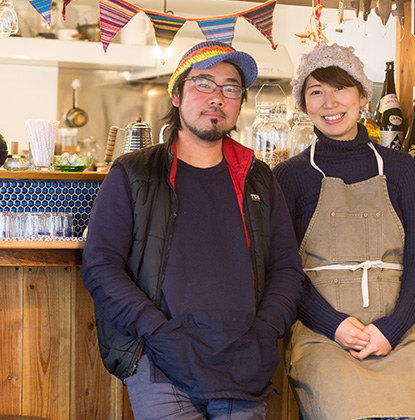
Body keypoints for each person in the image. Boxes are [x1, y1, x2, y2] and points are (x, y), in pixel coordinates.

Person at [82, 41, 305, 420]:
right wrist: (153, 329)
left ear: (239, 103)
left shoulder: (260, 178)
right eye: (204, 83)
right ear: (177, 94)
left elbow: (286, 266)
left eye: (230, 88)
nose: (217, 97)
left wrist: (266, 329)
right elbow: (101, 266)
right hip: (160, 362)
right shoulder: (133, 174)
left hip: (243, 362)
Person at [273, 43, 415, 420]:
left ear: (363, 96)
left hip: (400, 331)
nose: (330, 103)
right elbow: (283, 269)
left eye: (340, 88)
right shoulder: (289, 176)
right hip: (323, 335)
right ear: (303, 104)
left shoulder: (402, 168)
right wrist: (335, 326)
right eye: (316, 92)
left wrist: (391, 329)